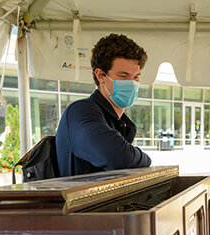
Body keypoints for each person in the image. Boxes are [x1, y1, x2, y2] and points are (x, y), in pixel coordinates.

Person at [55, 33, 151, 177]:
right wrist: (146, 158)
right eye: (123, 76)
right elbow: (120, 158)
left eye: (136, 77)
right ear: (101, 76)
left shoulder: (121, 123)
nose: (132, 83)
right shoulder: (81, 112)